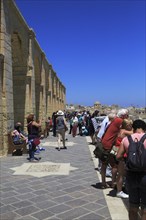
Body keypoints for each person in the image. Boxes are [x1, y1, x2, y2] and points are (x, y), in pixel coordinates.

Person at [116, 119, 146, 220]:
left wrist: (128, 160)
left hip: (131, 175)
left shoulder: (127, 139)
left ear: (133, 128)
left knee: (133, 206)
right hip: (145, 175)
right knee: (145, 207)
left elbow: (118, 156)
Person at [100, 108, 129, 188]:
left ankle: (103, 182)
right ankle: (113, 183)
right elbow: (126, 130)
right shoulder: (120, 120)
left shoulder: (115, 120)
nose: (128, 117)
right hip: (109, 145)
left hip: (104, 143)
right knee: (115, 166)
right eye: (127, 115)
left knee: (104, 164)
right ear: (123, 115)